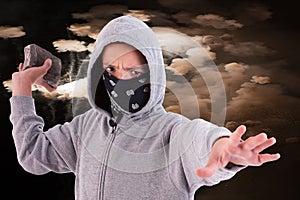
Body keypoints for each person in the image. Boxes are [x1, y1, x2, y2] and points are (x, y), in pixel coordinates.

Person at [9, 16, 280, 200]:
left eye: (133, 70)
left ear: (153, 73)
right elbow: (34, 156)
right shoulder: (86, 126)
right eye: (111, 69)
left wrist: (222, 148)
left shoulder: (172, 133)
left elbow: (199, 139)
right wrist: (22, 92)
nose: (120, 79)